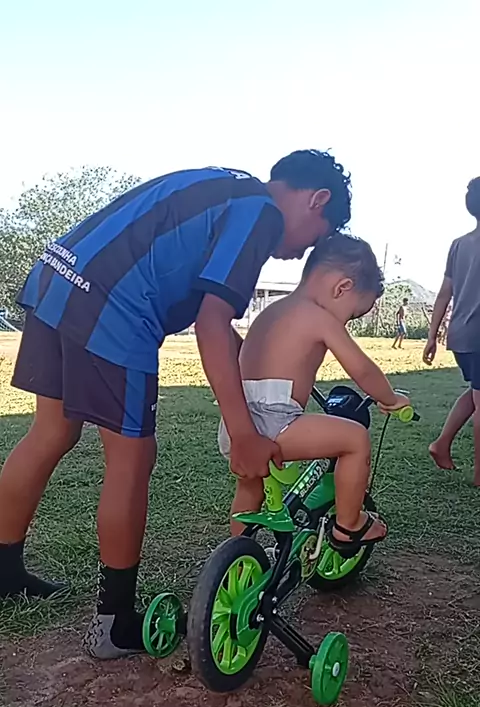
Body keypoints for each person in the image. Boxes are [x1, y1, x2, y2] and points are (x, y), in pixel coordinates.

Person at [0, 151, 353, 659]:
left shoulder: (224, 184)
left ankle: (4, 569)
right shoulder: (262, 213)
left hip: (57, 278)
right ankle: (114, 623)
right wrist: (244, 433)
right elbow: (211, 323)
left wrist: (246, 362)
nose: (302, 253)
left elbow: (217, 326)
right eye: (316, 237)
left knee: (51, 431)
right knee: (132, 457)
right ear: (316, 199)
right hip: (113, 308)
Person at [218, 234, 410, 549]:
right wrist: (390, 399)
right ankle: (349, 525)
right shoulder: (318, 316)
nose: (346, 322)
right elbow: (361, 369)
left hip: (235, 425)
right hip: (275, 421)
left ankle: (237, 553)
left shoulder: (272, 312)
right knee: (355, 439)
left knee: (250, 485)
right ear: (342, 288)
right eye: (351, 315)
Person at [424, 177, 480, 484]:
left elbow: (444, 293)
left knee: (475, 393)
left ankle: (441, 444)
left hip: (461, 335)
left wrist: (432, 336)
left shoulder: (458, 245)